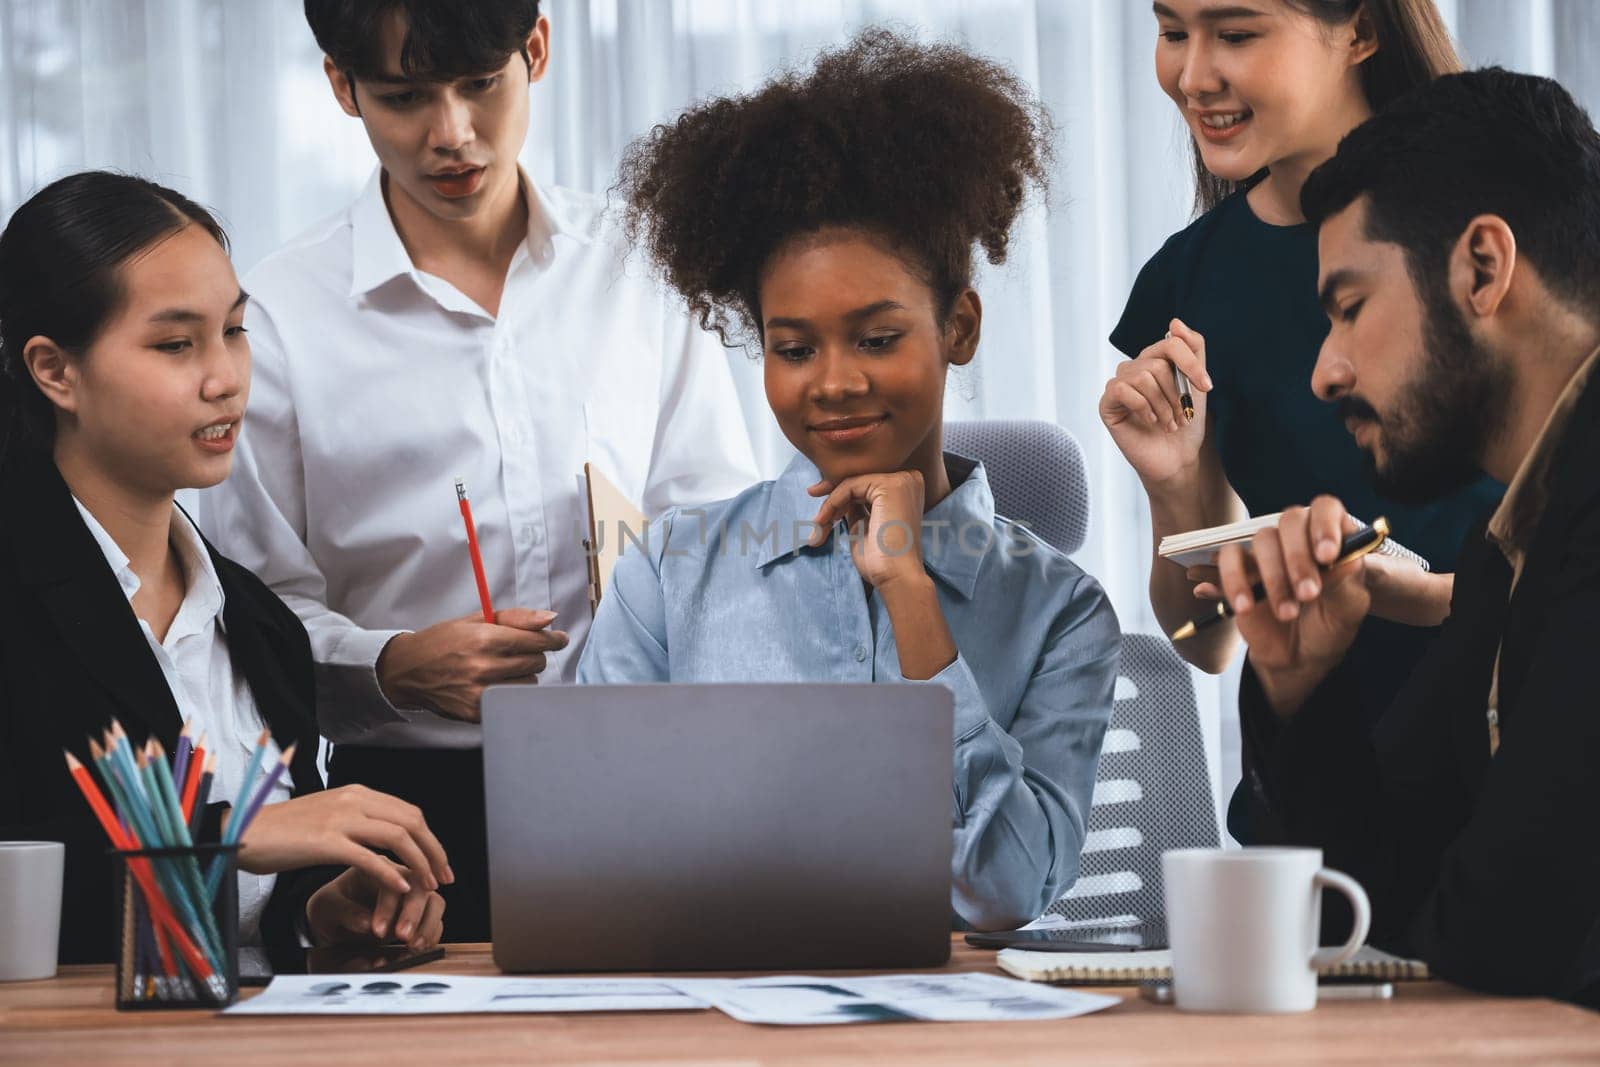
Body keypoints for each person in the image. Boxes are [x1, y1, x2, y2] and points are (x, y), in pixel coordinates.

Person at [200, 0, 759, 940]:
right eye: (405, 96)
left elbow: (720, 528)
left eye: (481, 85)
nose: (451, 134)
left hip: (651, 780)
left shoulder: (641, 268)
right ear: (344, 88)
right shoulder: (279, 316)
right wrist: (391, 667)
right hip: (408, 815)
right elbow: (256, 619)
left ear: (535, 50)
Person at [581, 30, 1121, 931]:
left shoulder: (1063, 615)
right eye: (794, 348)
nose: (832, 382)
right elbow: (595, 855)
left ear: (960, 328)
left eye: (876, 338)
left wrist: (912, 594)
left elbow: (1002, 891)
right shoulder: (670, 574)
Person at [1216, 69, 1600, 1006]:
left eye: (1348, 307)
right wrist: (1302, 690)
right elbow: (1372, 906)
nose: (1325, 371)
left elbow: (1496, 937)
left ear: (1481, 267)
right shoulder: (1513, 545)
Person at [0, 172, 451, 964]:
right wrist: (230, 834)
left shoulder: (257, 619)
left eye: (234, 331)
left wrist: (319, 915)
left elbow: (245, 933)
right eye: (177, 344)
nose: (226, 378)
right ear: (54, 370)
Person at [1100, 0, 1503, 834]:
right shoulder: (1189, 280)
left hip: (1505, 789)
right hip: (1319, 802)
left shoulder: (1498, 240)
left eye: (1237, 34)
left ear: (1359, 31)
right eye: (1174, 32)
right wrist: (1175, 485)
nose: (1192, 74)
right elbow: (1200, 639)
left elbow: (1571, 585)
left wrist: (1420, 595)